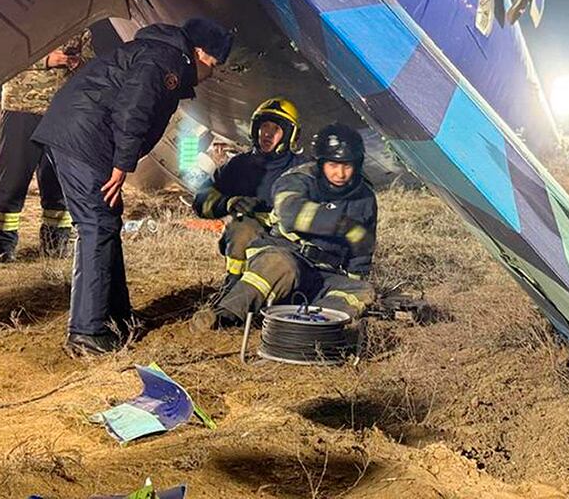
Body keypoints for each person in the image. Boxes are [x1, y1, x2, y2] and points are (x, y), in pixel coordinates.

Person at [32, 18, 233, 356]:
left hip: (82, 134)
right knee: (96, 226)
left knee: (107, 222)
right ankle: (87, 332)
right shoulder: (165, 61)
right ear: (199, 53)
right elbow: (134, 108)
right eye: (213, 63)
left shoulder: (159, 54)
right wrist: (122, 164)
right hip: (84, 138)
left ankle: (117, 318)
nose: (212, 73)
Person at [211, 123, 377, 328]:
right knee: (280, 264)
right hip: (286, 254)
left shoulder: (365, 196)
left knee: (363, 290)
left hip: (324, 273)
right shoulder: (297, 179)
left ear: (357, 165)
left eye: (347, 166)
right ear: (321, 162)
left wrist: (355, 277)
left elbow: (362, 250)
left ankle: (307, 328)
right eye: (333, 165)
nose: (340, 174)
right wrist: (341, 224)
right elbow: (290, 213)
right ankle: (224, 315)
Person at [0, 30, 93, 262]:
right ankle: (2, 249)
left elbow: (91, 62)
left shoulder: (79, 26)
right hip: (21, 108)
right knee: (11, 180)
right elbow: (2, 55)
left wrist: (79, 63)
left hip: (61, 112)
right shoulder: (22, 22)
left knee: (58, 182)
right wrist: (46, 60)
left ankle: (56, 245)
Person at [192, 98, 304, 293]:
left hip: (289, 245)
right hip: (247, 240)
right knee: (242, 229)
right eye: (264, 126)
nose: (268, 133)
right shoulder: (239, 165)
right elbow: (201, 200)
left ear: (289, 135)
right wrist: (228, 203)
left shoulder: (303, 170)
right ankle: (233, 285)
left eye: (276, 129)